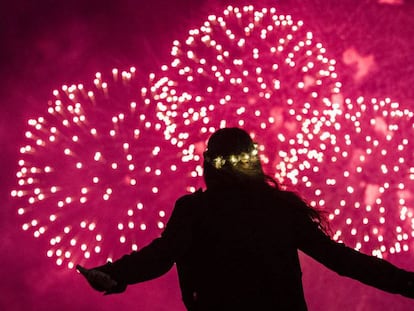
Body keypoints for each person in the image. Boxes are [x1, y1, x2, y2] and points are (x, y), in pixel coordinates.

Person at [77, 127, 414, 310]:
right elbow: (342, 260)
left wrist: (114, 274)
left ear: (209, 165)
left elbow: (160, 257)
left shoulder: (194, 210)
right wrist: (408, 284)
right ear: (253, 162)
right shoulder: (279, 207)